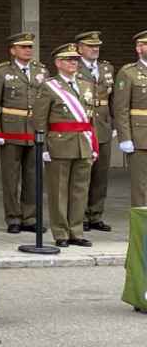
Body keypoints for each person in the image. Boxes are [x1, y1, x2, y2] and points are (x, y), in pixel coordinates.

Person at [33, 43, 97, 249]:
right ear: (58, 63)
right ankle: (60, 232)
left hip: (83, 142)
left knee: (80, 190)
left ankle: (76, 231)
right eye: (69, 59)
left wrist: (93, 144)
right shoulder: (49, 86)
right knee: (58, 190)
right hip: (59, 143)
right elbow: (39, 119)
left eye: (76, 59)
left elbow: (91, 118)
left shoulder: (86, 84)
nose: (73, 63)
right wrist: (42, 147)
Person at [0, 32, 46, 234]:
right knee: (11, 177)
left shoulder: (41, 70)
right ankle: (13, 218)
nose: (28, 50)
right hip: (11, 130)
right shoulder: (2, 71)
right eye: (23, 47)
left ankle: (30, 217)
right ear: (13, 50)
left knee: (33, 176)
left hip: (34, 130)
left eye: (29, 46)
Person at [73, 31, 115, 233]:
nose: (95, 49)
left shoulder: (106, 67)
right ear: (79, 48)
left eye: (97, 46)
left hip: (103, 125)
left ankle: (96, 214)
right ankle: (80, 217)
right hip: (83, 125)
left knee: (101, 174)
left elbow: (114, 98)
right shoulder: (74, 66)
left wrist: (113, 124)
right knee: (83, 174)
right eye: (90, 46)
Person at [113, 29, 147, 211]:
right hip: (141, 135)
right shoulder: (129, 73)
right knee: (141, 186)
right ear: (139, 48)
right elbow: (121, 108)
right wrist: (125, 137)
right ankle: (142, 227)